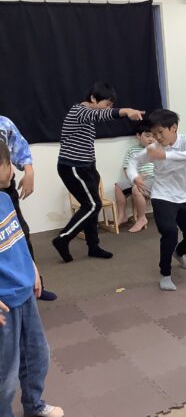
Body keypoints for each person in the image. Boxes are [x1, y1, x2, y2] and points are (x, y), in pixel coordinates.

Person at [0, 141, 64, 417]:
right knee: (5, 375)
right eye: (9, 165)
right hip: (4, 304)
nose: (14, 171)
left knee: (37, 355)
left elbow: (19, 240)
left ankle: (34, 406)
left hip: (25, 293)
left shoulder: (5, 200)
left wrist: (33, 268)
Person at [52, 82, 144, 263]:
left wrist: (93, 169)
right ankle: (63, 238)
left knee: (92, 206)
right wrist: (126, 111)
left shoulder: (87, 115)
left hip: (87, 167)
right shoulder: (79, 111)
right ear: (93, 98)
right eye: (107, 104)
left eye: (111, 105)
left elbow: (87, 142)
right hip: (72, 167)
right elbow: (101, 115)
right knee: (93, 205)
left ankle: (93, 246)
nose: (108, 108)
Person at [126, 109, 186, 291]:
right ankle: (165, 274)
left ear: (173, 128)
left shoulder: (184, 141)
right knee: (169, 232)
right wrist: (134, 177)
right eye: (154, 134)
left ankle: (179, 253)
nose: (157, 138)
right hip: (161, 195)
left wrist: (165, 155)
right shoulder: (153, 149)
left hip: (181, 196)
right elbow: (132, 162)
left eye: (161, 132)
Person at [0, 115, 57, 301]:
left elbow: (20, 147)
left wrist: (29, 172)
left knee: (19, 233)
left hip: (6, 188)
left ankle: (34, 285)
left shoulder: (4, 123)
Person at [115, 120, 155, 233]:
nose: (151, 139)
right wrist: (135, 177)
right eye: (147, 136)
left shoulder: (157, 149)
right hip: (136, 178)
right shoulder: (132, 150)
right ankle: (122, 215)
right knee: (118, 186)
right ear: (138, 136)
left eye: (153, 136)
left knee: (136, 189)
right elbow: (127, 167)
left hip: (152, 179)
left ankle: (142, 218)